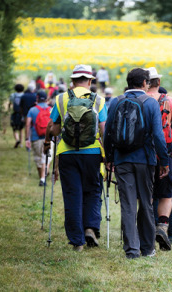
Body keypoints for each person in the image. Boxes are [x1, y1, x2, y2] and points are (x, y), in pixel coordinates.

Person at [103, 68, 170, 259]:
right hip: (145, 160)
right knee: (146, 203)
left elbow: (108, 132)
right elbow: (158, 135)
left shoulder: (116, 102)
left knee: (128, 204)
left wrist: (109, 158)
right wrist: (164, 161)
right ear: (145, 83)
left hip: (122, 160)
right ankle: (148, 248)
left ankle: (132, 249)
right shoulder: (150, 103)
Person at [44, 64, 107, 251]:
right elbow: (104, 130)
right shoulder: (99, 100)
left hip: (67, 153)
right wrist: (108, 154)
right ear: (90, 81)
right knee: (93, 192)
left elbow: (53, 128)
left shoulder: (61, 99)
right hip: (92, 153)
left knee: (72, 195)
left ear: (72, 81)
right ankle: (90, 227)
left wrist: (51, 138)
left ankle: (77, 241)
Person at [145, 67, 172, 250]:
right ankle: (163, 226)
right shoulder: (168, 101)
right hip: (165, 156)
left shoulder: (139, 100)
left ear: (144, 83)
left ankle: (145, 231)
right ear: (159, 83)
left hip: (142, 156)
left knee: (146, 195)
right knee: (166, 194)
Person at [25, 90, 52, 187]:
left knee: (38, 157)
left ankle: (42, 177)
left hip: (36, 137)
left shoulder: (32, 110)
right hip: (49, 137)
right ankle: (44, 175)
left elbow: (28, 124)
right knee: (47, 157)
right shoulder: (51, 109)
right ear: (47, 99)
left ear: (37, 98)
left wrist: (27, 139)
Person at [9, 84, 25, 148]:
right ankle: (21, 143)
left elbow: (10, 103)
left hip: (15, 113)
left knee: (14, 129)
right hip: (22, 114)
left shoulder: (13, 95)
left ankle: (17, 139)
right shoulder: (24, 95)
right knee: (21, 129)